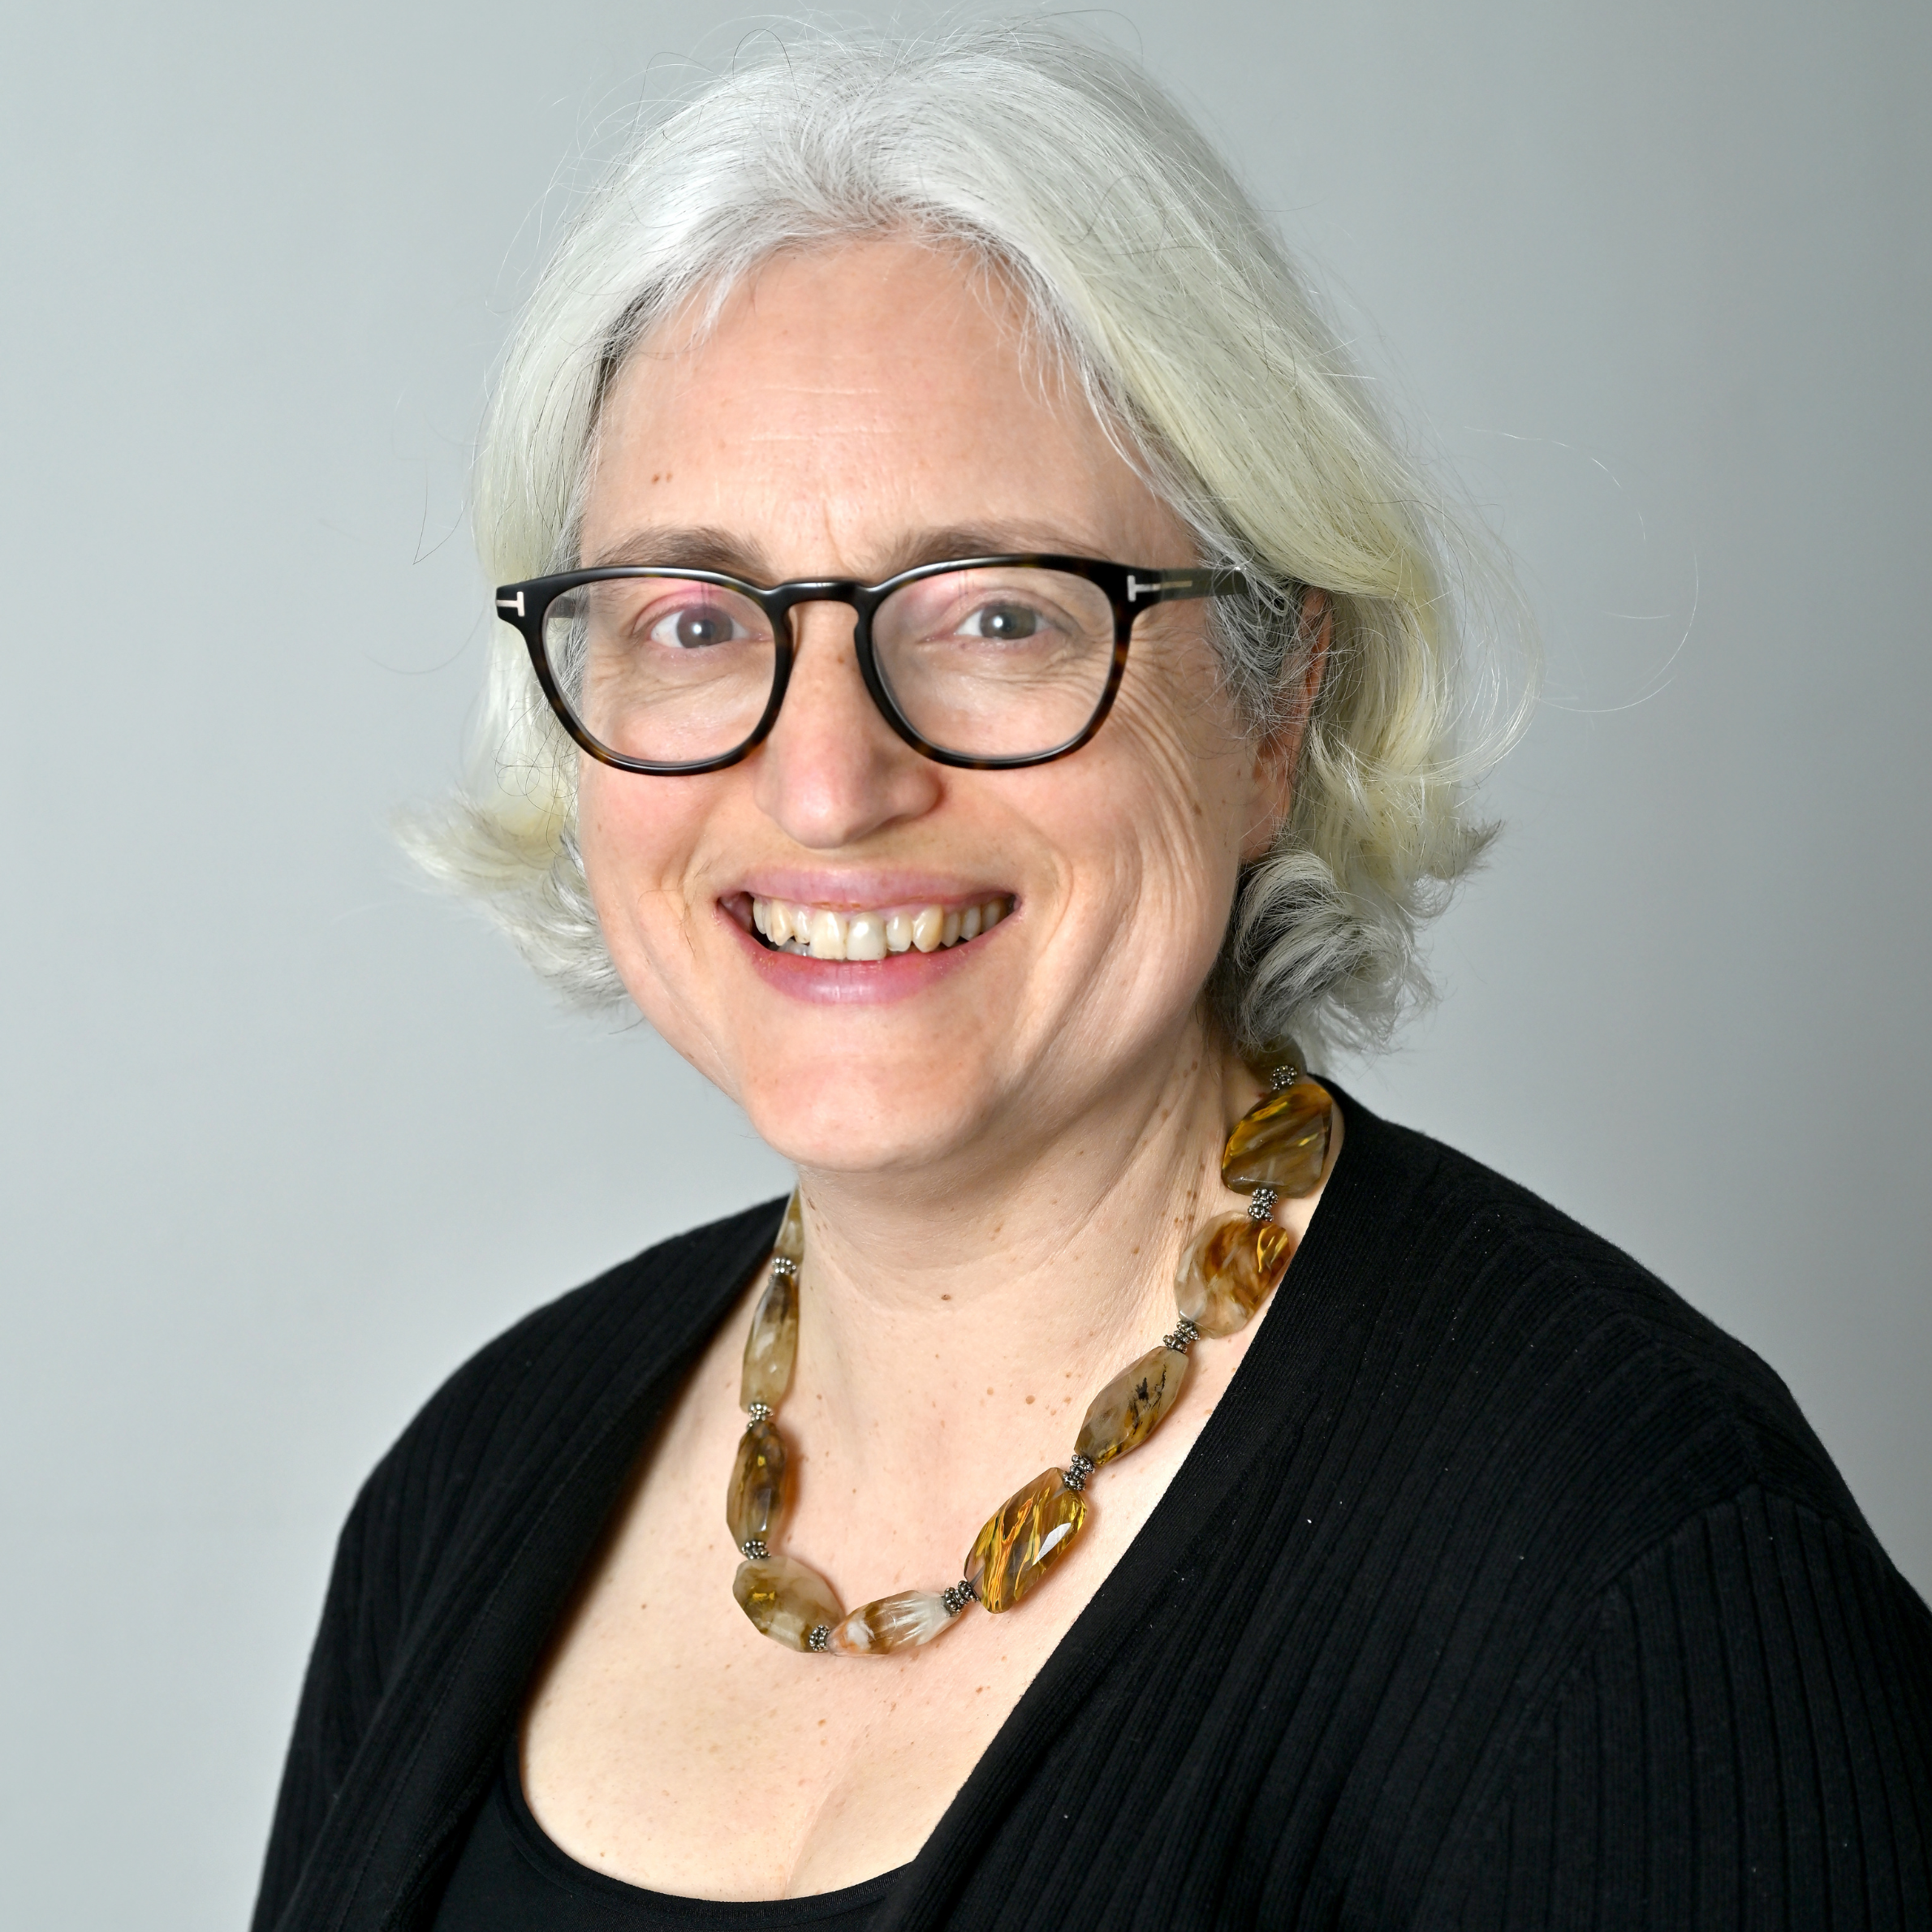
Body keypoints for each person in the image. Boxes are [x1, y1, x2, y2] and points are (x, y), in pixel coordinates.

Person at [252, 24, 1931, 1932]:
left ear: (1276, 684)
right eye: (697, 619)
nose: (826, 779)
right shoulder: (470, 1488)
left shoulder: (1636, 1578)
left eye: (994, 613)